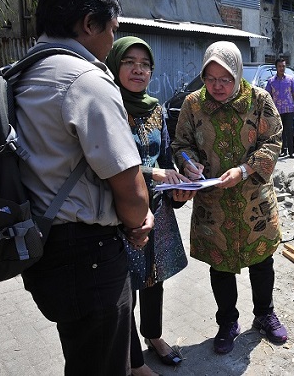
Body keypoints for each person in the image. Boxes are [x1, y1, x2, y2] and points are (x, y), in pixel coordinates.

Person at [16, 0, 153, 376]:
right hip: (89, 253)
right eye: (111, 30)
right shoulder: (86, 81)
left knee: (83, 354)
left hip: (44, 246)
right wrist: (138, 225)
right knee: (103, 363)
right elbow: (128, 186)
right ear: (88, 24)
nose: (111, 41)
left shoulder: (22, 73)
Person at [172, 41, 288, 355]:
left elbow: (274, 140)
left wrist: (245, 169)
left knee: (262, 260)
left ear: (237, 74)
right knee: (220, 266)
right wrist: (188, 163)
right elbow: (181, 143)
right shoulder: (193, 105)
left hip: (254, 203)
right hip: (213, 203)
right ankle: (227, 322)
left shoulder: (259, 100)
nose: (218, 86)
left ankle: (264, 314)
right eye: (210, 79)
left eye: (225, 79)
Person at [106, 37, 195, 376]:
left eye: (145, 64)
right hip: (120, 213)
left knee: (153, 278)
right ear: (115, 65)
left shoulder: (155, 108)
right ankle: (133, 361)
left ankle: (154, 336)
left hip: (156, 209)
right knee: (124, 286)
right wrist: (151, 173)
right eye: (130, 62)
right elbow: (104, 164)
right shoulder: (109, 106)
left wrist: (182, 181)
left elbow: (167, 156)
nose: (139, 69)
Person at [266, 57, 294, 158]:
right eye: (280, 66)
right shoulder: (271, 81)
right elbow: (267, 95)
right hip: (277, 110)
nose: (282, 68)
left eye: (283, 66)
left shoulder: (290, 79)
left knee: (289, 130)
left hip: (289, 109)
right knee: (280, 132)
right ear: (276, 67)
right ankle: (282, 150)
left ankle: (291, 151)